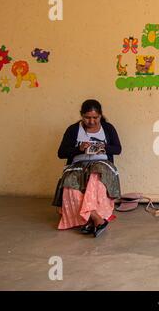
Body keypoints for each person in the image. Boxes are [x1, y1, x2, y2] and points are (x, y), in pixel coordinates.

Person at [52, 99, 122, 237]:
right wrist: (79, 149)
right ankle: (95, 218)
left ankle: (88, 220)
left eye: (95, 118)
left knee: (95, 177)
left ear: (100, 115)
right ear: (81, 115)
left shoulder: (108, 128)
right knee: (70, 185)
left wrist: (104, 147)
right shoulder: (73, 130)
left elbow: (118, 149)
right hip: (77, 166)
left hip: (102, 164)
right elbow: (61, 153)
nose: (91, 121)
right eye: (87, 117)